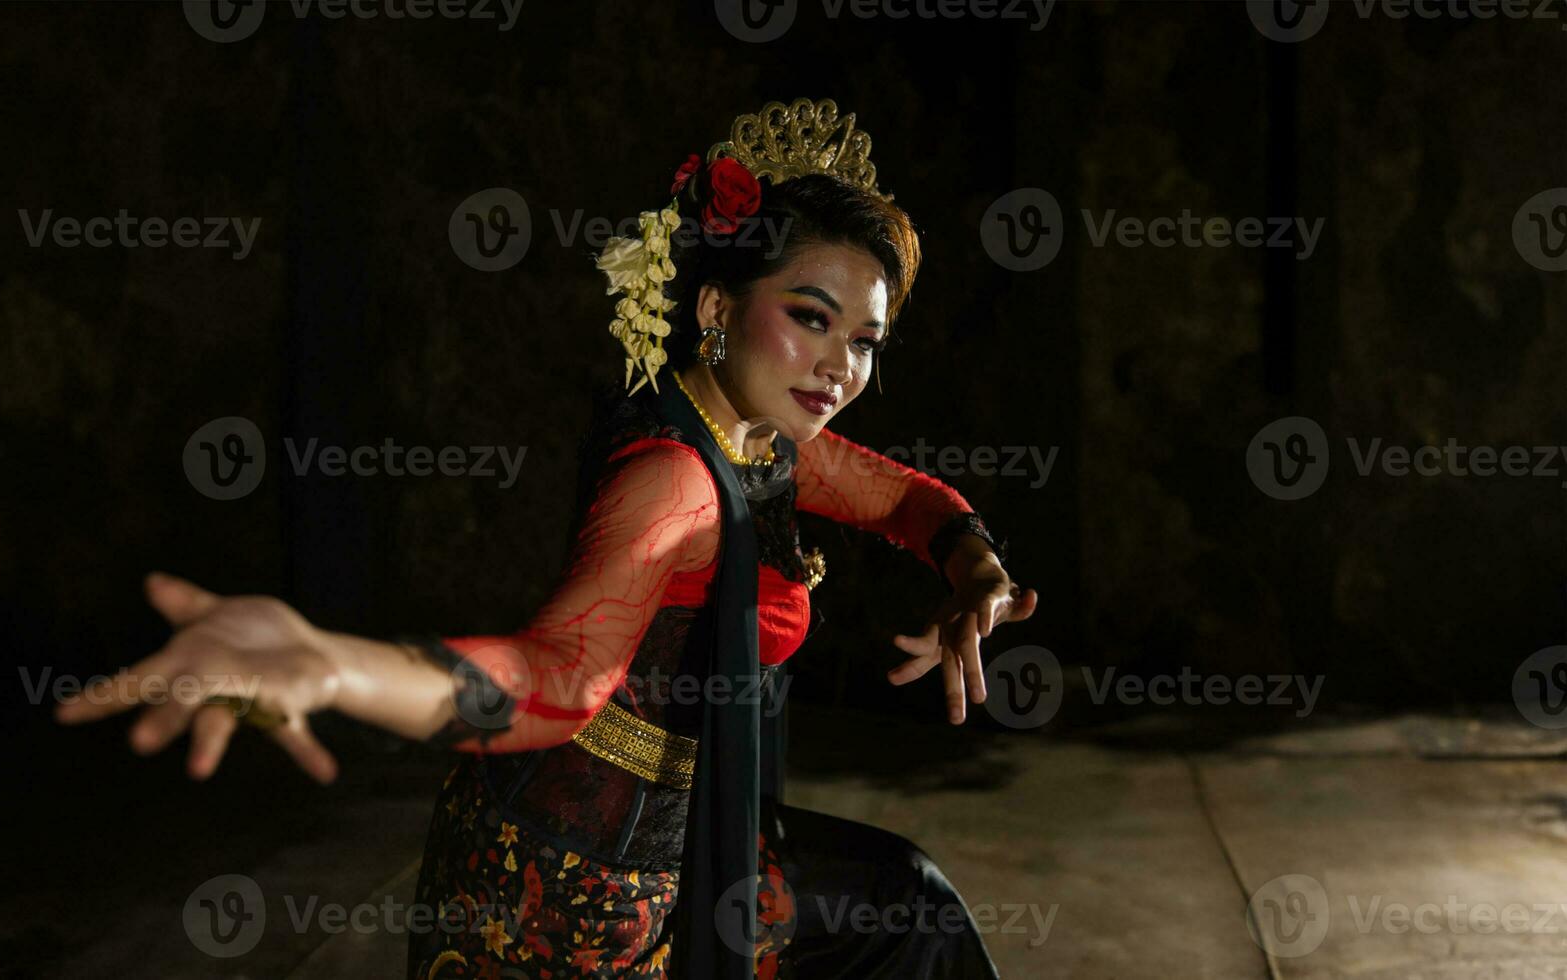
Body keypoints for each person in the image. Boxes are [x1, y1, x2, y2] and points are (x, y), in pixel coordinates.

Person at [56, 97, 1037, 979]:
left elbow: (901, 496)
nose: (839, 366)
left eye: (863, 340)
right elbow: (553, 673)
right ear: (714, 308)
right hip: (577, 894)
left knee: (908, 910)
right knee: (908, 913)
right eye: (810, 318)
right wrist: (332, 665)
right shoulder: (678, 480)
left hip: (691, 845)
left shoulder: (753, 432)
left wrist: (973, 568)